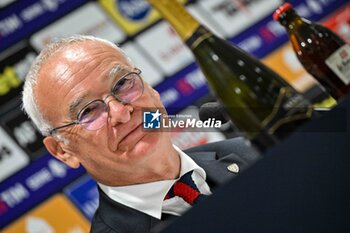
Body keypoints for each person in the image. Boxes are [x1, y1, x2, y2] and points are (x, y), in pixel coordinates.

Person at [22, 35, 260, 233]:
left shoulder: (259, 151)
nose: (121, 113)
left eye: (123, 84)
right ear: (63, 151)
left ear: (151, 88)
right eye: (88, 111)